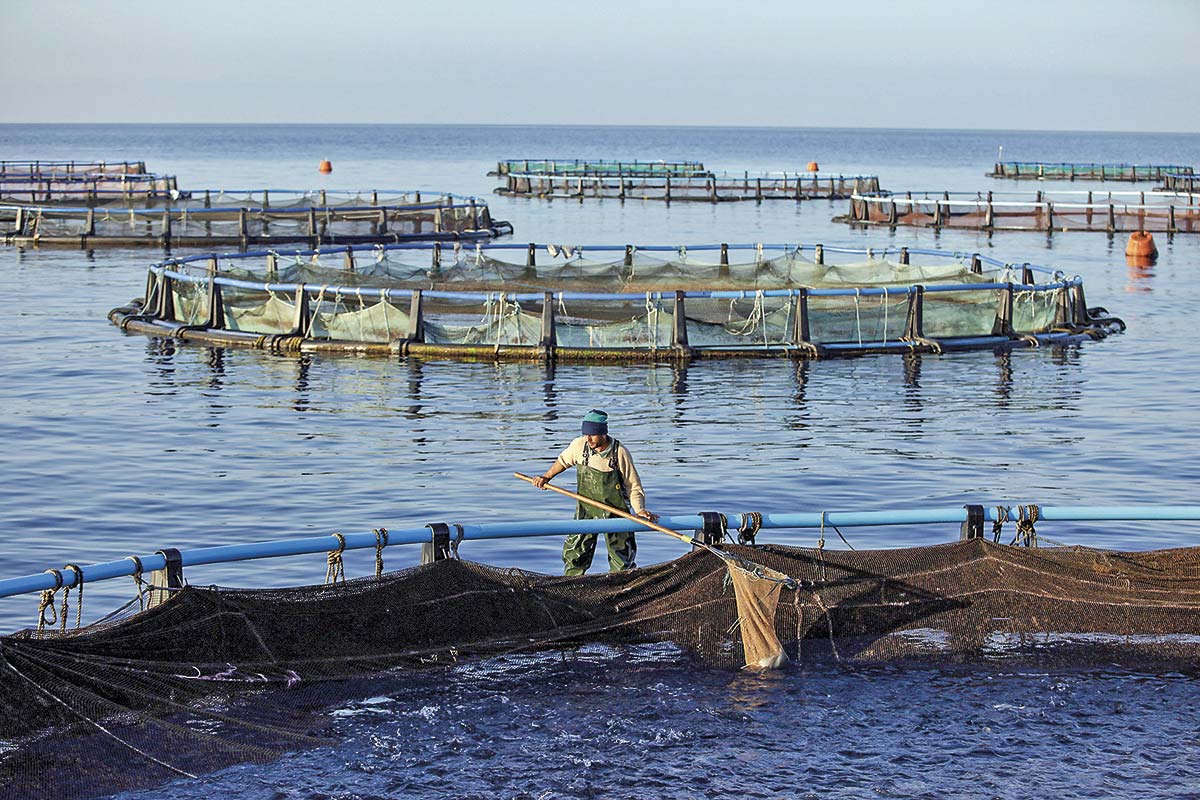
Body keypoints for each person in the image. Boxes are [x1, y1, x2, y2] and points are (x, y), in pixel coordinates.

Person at [531, 410, 656, 576]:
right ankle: (571, 586)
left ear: (604, 432)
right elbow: (563, 461)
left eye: (593, 434)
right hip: (586, 509)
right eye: (586, 434)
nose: (589, 439)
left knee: (622, 559)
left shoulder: (619, 453)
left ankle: (621, 588)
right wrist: (546, 477)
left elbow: (633, 486)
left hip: (615, 513)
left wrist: (640, 510)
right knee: (575, 553)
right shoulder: (579, 445)